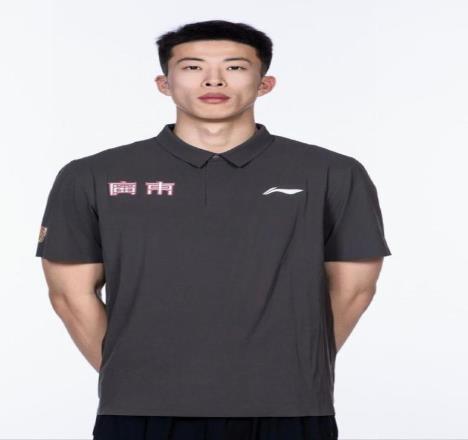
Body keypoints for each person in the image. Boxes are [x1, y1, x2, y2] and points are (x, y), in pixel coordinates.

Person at [36, 19, 391, 440]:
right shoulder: (92, 175)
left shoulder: (332, 173)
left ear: (265, 83)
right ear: (164, 84)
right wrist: (135, 376)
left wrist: (294, 369)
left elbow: (354, 290)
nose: (213, 80)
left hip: (288, 407)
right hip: (139, 409)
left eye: (235, 67)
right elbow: (70, 295)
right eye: (192, 67)